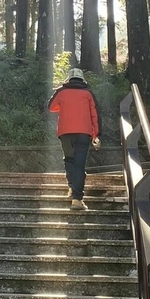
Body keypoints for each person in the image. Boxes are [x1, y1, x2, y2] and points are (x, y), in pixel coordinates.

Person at [48, 68, 101, 211]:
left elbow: (51, 107)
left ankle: (72, 187)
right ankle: (77, 198)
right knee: (79, 164)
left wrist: (63, 99)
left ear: (69, 79)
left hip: (65, 132)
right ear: (82, 79)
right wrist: (96, 135)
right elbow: (94, 115)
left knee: (69, 160)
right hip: (84, 133)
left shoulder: (62, 92)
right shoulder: (88, 93)